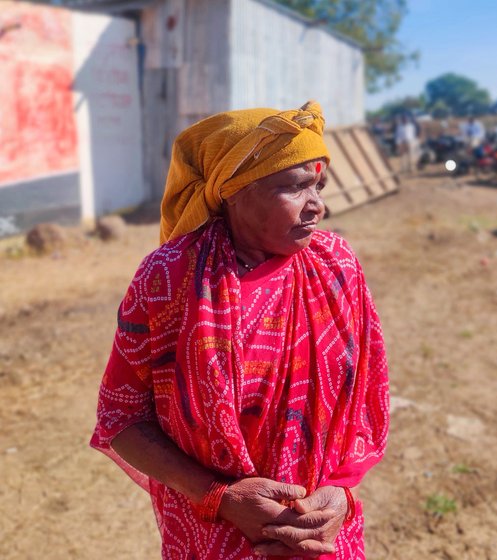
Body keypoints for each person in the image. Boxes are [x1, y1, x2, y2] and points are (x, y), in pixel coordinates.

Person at [91, 100, 390, 559]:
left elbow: (364, 400)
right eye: (294, 187)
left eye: (320, 186)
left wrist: (341, 494)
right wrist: (220, 498)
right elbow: (122, 418)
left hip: (322, 534)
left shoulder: (337, 266)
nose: (318, 206)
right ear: (233, 190)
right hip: (213, 534)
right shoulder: (170, 278)